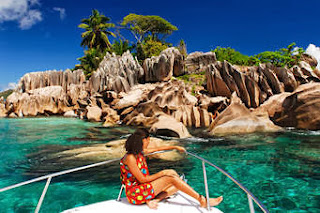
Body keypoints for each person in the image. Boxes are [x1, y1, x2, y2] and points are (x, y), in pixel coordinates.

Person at [120, 128, 223, 209]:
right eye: (148, 141)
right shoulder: (130, 158)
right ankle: (202, 200)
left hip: (143, 188)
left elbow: (157, 149)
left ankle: (154, 200)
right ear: (143, 140)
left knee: (179, 183)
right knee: (171, 178)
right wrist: (163, 173)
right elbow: (142, 179)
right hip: (135, 193)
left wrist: (174, 147)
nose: (149, 143)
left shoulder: (139, 152)